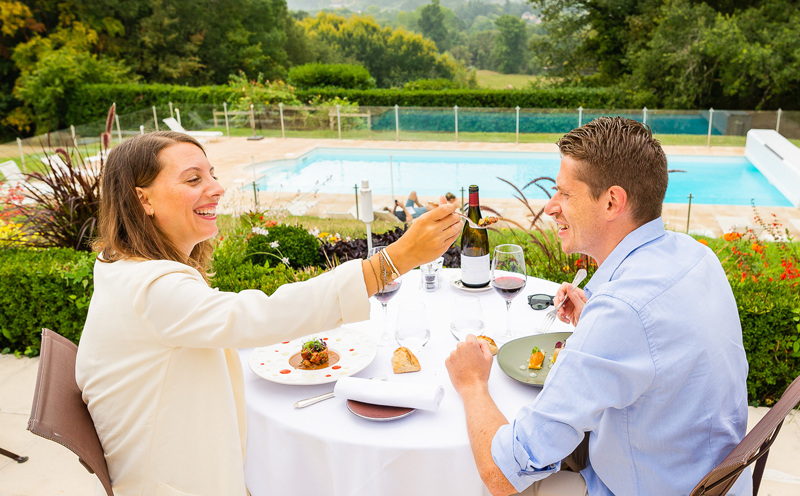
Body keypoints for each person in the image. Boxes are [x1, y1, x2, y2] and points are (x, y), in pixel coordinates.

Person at [75, 131, 461, 496]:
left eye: (212, 174)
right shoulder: (152, 289)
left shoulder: (123, 269)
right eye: (193, 179)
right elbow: (262, 315)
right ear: (143, 199)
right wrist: (396, 259)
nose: (216, 188)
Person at [445, 117, 750, 496]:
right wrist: (594, 322)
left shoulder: (622, 312)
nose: (551, 207)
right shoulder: (696, 256)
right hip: (710, 476)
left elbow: (503, 474)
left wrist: (472, 383)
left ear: (611, 202)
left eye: (565, 194)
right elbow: (660, 350)